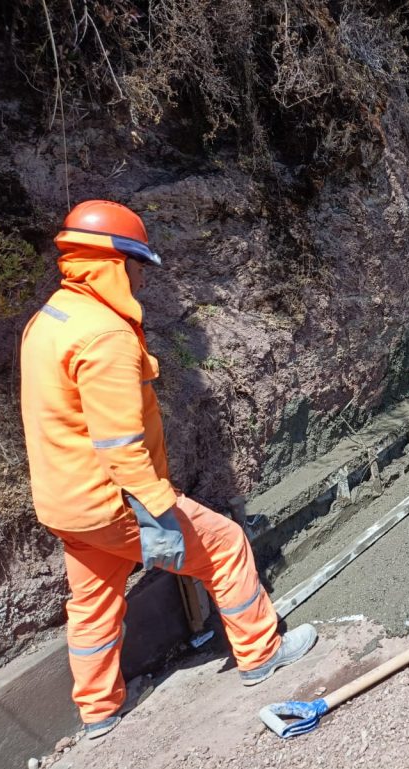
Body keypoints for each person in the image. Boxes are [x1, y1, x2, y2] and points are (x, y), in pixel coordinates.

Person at [20, 201, 317, 740]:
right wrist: (159, 509)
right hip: (115, 499)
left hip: (66, 504)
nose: (141, 278)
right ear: (115, 262)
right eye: (137, 265)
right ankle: (261, 653)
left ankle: (98, 712)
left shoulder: (50, 319)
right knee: (225, 545)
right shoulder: (104, 336)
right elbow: (118, 445)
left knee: (92, 605)